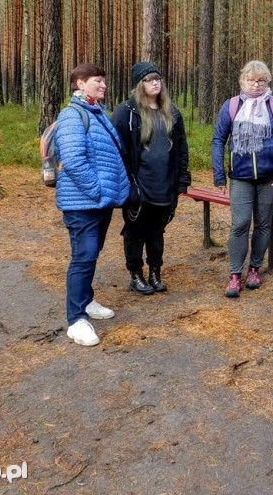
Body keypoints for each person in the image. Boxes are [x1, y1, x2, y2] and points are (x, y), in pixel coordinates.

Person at [55, 63, 130, 347]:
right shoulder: (72, 115)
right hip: (84, 202)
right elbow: (74, 161)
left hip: (100, 201)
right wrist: (97, 191)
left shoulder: (97, 113)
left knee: (91, 253)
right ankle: (76, 320)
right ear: (80, 84)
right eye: (97, 81)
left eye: (104, 80)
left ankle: (86, 302)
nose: (103, 85)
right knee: (83, 256)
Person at [212, 60, 273, 298]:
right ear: (242, 81)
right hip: (240, 177)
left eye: (261, 80)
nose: (256, 85)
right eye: (251, 79)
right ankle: (235, 274)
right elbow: (218, 140)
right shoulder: (232, 106)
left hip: (269, 178)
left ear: (267, 82)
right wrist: (219, 174)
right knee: (240, 224)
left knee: (263, 223)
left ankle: (255, 269)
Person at [112, 61, 191, 297]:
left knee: (157, 232)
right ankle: (136, 274)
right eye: (148, 79)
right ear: (139, 85)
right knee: (135, 232)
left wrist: (181, 181)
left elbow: (181, 150)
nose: (154, 83)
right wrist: (126, 184)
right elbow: (116, 151)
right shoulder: (126, 112)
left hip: (164, 185)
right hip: (138, 186)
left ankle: (155, 272)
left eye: (157, 78)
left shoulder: (172, 113)